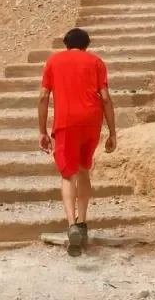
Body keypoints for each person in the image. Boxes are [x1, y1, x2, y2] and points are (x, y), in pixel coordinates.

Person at [38, 27, 117, 257]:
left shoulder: (53, 61)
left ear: (65, 43)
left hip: (66, 122)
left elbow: (43, 96)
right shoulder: (97, 63)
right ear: (87, 44)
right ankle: (83, 222)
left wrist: (42, 131)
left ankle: (71, 223)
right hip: (91, 121)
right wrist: (112, 132)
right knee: (84, 169)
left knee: (67, 174)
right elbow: (105, 98)